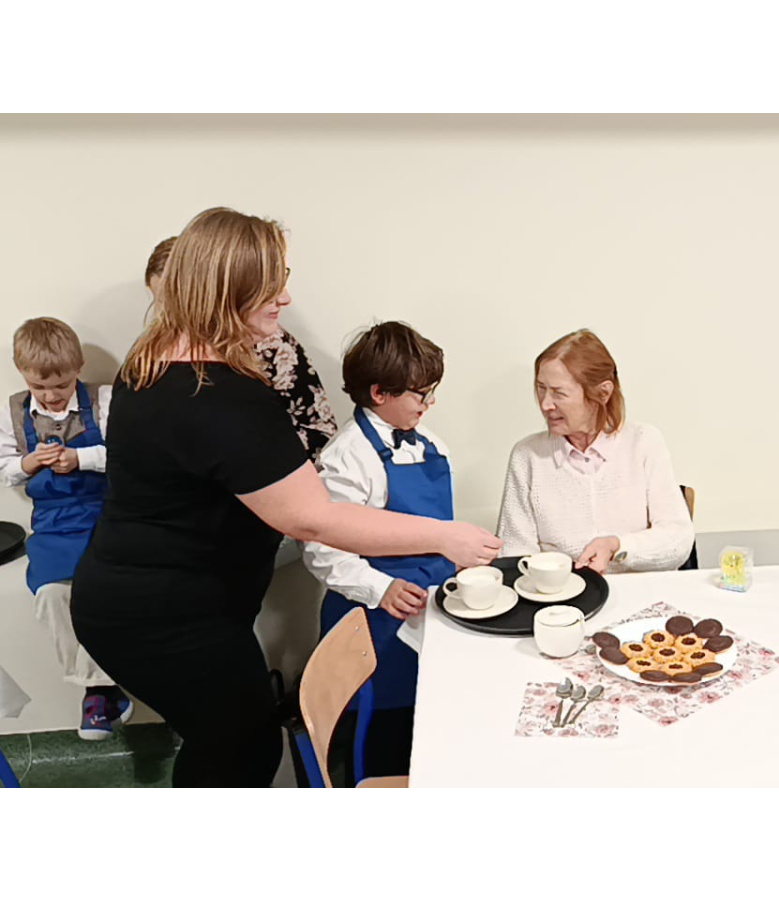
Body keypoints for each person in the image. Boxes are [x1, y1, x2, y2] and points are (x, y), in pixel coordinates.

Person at [71, 207, 501, 787]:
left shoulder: (150, 360)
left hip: (140, 601)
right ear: (227, 289)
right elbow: (314, 519)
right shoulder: (222, 398)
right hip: (165, 616)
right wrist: (447, 535)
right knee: (239, 750)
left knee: (226, 741)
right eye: (271, 286)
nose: (287, 298)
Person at [302, 321, 453, 779]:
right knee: (383, 738)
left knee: (429, 727)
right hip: (375, 619)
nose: (428, 404)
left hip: (429, 610)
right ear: (379, 393)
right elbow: (323, 549)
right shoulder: (348, 456)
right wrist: (382, 588)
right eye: (420, 394)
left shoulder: (432, 445)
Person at [0, 318, 132, 740]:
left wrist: (82, 459)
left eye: (60, 385)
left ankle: (105, 691)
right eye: (39, 387)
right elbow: (6, 470)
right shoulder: (12, 412)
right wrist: (29, 462)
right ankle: (98, 687)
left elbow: (130, 453)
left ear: (78, 368)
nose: (51, 396)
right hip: (53, 524)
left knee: (108, 585)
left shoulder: (104, 401)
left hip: (108, 513)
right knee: (51, 593)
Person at [497, 329, 693, 575]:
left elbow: (678, 542)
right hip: (561, 595)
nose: (546, 404)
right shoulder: (527, 456)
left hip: (640, 593)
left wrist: (617, 547)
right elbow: (515, 554)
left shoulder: (644, 441)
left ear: (603, 393)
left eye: (559, 393)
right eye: (541, 388)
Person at [144, 235, 338, 463]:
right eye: (161, 303)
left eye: (174, 300)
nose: (168, 312)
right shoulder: (156, 354)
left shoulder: (272, 345)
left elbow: (320, 434)